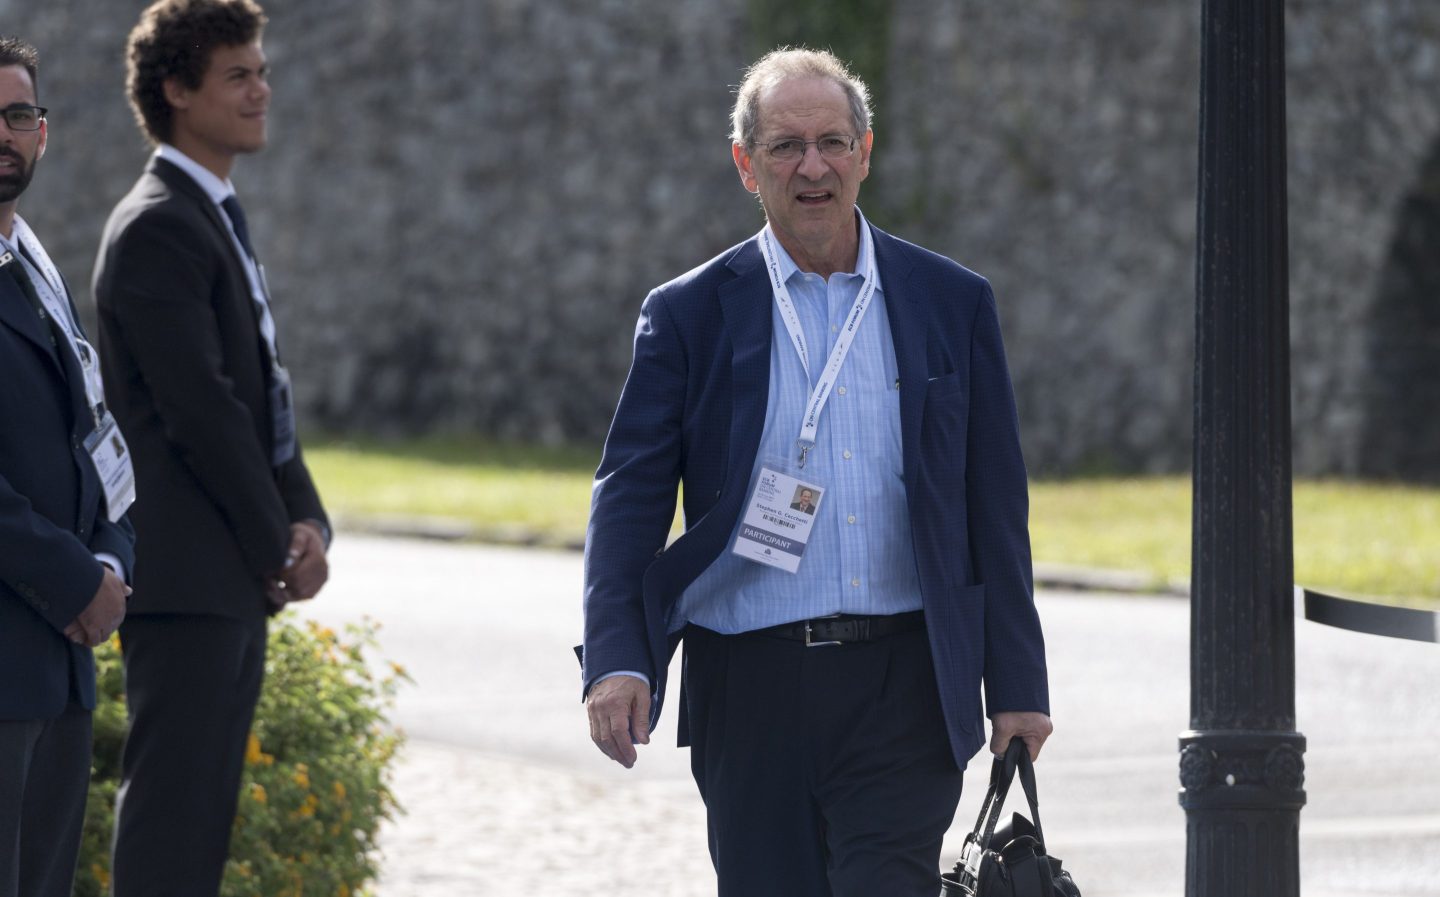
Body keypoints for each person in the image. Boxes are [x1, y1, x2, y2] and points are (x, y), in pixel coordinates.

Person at [581, 48, 1052, 896]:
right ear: (744, 164)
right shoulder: (688, 314)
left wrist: (1017, 684)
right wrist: (617, 658)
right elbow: (629, 499)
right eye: (785, 146)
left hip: (903, 686)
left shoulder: (951, 301)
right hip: (749, 686)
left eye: (833, 142)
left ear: (865, 153)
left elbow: (994, 508)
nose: (813, 166)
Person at [92, 2, 329, 893]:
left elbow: (263, 392)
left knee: (198, 829)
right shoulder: (158, 224)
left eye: (261, 70)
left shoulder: (211, 212)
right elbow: (203, 410)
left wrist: (309, 519)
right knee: (168, 827)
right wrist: (277, 540)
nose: (262, 89)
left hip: (223, 575)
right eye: (238, 74)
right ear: (178, 90)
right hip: (188, 579)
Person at [0, 36, 136, 897]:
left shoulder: (36, 268)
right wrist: (74, 579)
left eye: (17, 115)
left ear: (43, 134)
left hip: (59, 667)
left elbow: (96, 432)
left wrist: (113, 559)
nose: (3, 134)